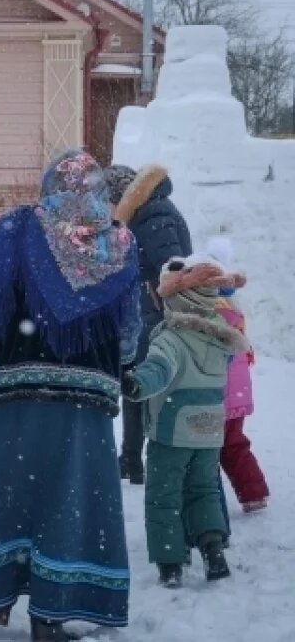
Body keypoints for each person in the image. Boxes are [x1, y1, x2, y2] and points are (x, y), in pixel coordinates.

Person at [0, 150, 140, 641]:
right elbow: (129, 329)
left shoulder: (15, 228)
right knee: (74, 499)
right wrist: (116, 363)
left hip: (15, 392)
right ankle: (54, 610)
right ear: (98, 189)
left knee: (14, 493)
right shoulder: (119, 242)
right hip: (87, 397)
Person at [124, 255, 247, 587]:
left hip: (173, 430)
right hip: (210, 431)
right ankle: (213, 549)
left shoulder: (171, 336)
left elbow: (158, 369)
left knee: (164, 494)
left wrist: (136, 384)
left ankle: (171, 562)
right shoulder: (221, 337)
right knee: (203, 490)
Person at [105, 164, 193, 484]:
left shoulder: (153, 217)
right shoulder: (146, 213)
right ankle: (131, 459)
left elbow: (176, 269)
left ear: (120, 196)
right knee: (134, 385)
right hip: (147, 312)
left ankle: (147, 459)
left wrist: (154, 296)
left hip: (156, 316)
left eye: (107, 202)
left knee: (144, 386)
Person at [206, 236, 269, 512]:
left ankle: (214, 498)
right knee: (234, 444)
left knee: (216, 447)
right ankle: (254, 493)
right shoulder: (234, 310)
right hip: (237, 394)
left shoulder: (213, 311)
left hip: (221, 392)